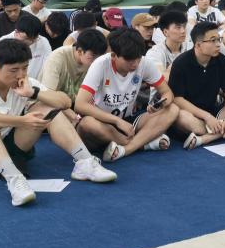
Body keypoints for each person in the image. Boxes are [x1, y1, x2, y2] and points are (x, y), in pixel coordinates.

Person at [0, 39, 115, 206]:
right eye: (14, 70)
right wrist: (21, 121)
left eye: (24, 68)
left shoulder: (26, 83)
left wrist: (34, 93)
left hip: (5, 147)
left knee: (48, 106)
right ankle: (15, 180)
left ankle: (84, 162)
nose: (20, 75)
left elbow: (65, 102)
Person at [74, 28, 179, 160]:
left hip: (128, 121)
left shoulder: (144, 63)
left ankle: (126, 149)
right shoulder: (100, 64)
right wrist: (116, 121)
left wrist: (161, 103)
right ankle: (142, 144)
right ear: (114, 55)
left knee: (172, 109)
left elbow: (167, 93)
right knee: (87, 124)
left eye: (138, 58)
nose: (135, 64)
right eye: (129, 60)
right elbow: (80, 105)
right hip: (102, 122)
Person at [169, 22, 225, 149]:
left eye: (218, 39)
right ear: (198, 45)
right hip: (191, 113)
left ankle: (205, 138)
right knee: (181, 117)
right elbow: (177, 99)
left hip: (214, 110)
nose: (218, 44)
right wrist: (207, 117)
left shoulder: (223, 61)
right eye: (213, 40)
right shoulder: (181, 63)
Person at [40, 28, 108, 104]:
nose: (97, 60)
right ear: (80, 51)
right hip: (51, 103)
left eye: (100, 56)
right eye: (93, 56)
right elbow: (48, 96)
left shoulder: (95, 62)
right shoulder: (56, 59)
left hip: (74, 103)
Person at [0, 15, 52, 80]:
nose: (30, 42)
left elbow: (48, 66)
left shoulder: (43, 42)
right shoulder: (1, 44)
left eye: (34, 39)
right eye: (26, 38)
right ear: (16, 32)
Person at [145, 9, 190, 76]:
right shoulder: (155, 52)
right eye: (178, 27)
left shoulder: (191, 48)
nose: (183, 31)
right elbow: (160, 77)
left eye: (184, 26)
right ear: (166, 32)